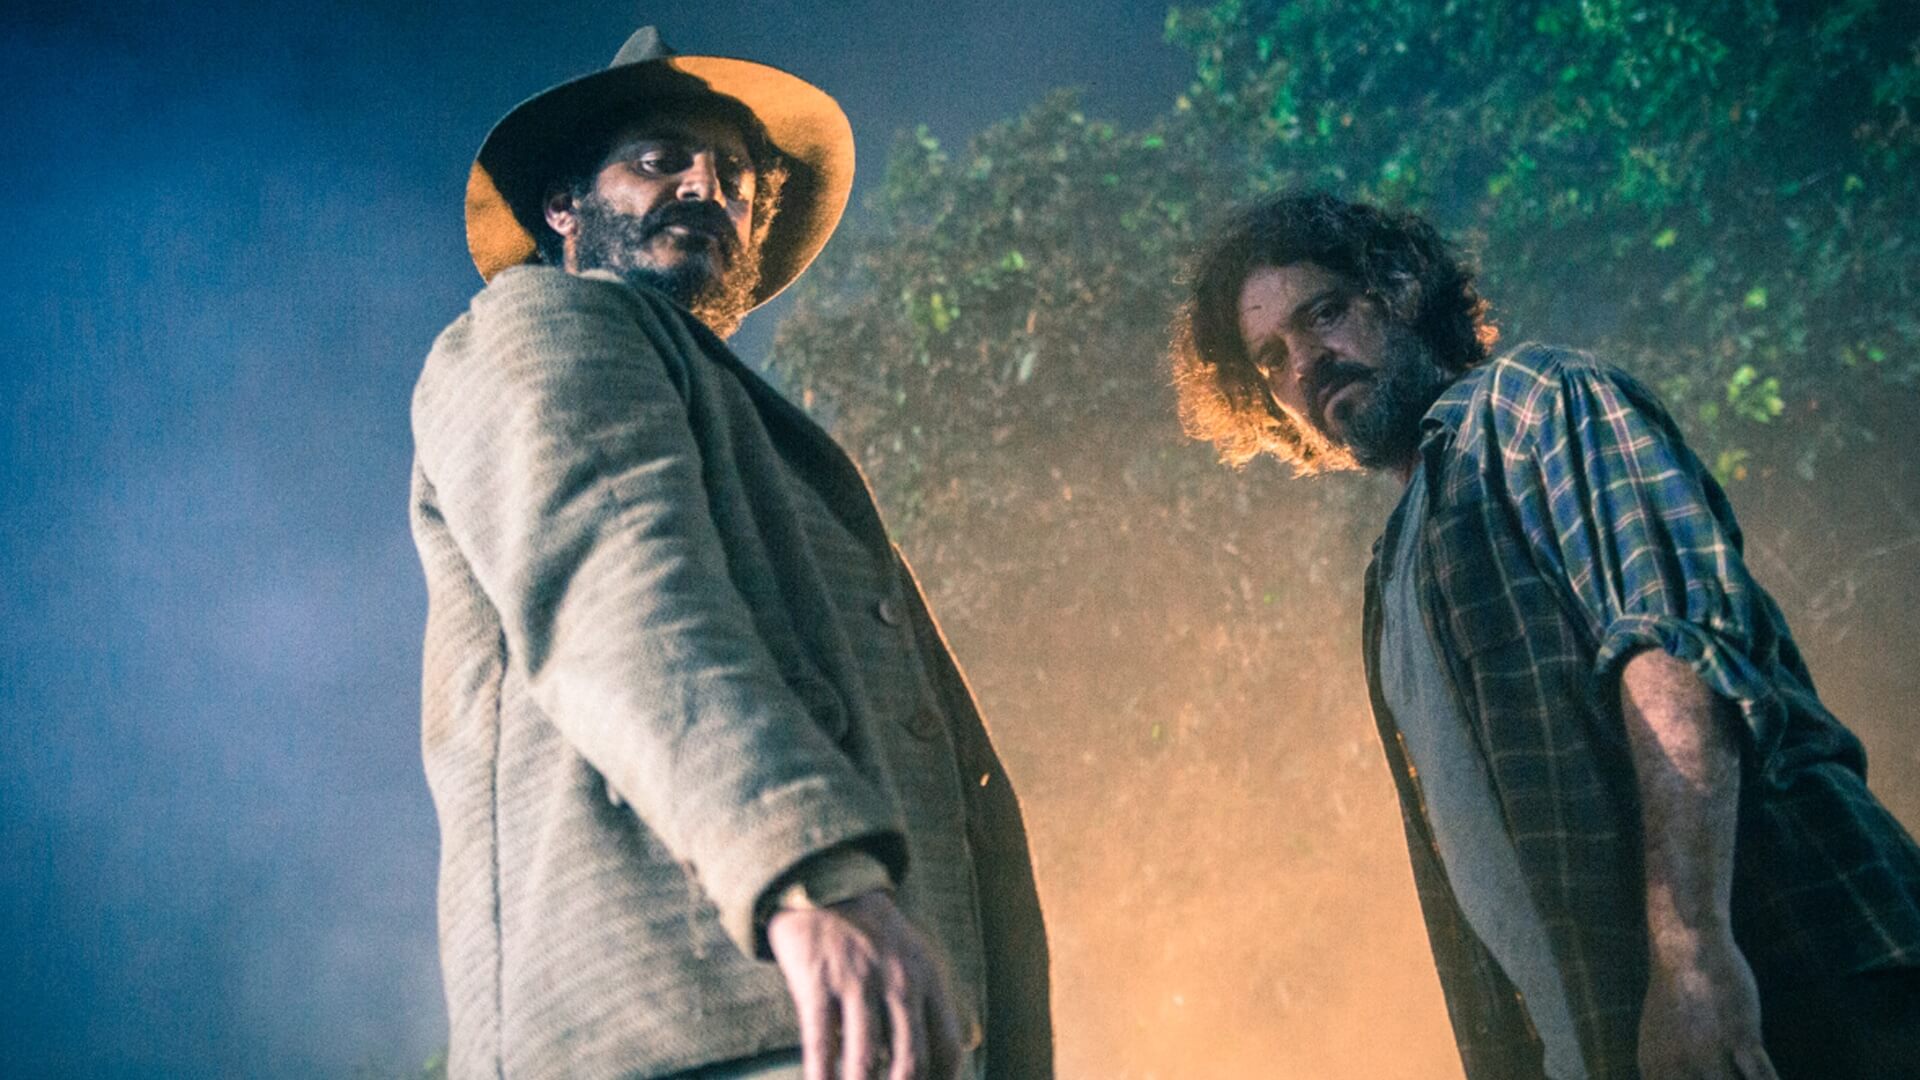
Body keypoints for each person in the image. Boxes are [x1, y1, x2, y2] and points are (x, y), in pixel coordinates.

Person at [408, 27, 1050, 1080]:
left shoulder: (746, 429)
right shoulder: (543, 321)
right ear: (564, 206)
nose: (707, 187)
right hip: (689, 1022)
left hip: (865, 1023)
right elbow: (617, 593)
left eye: (738, 178)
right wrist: (810, 870)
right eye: (659, 159)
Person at [1170, 191, 1920, 1080]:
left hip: (1811, 979)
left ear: (1398, 287)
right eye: (1270, 359)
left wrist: (1690, 951)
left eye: (1323, 313)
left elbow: (1670, 650)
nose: (1305, 364)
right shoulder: (1392, 575)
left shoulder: (1532, 402)